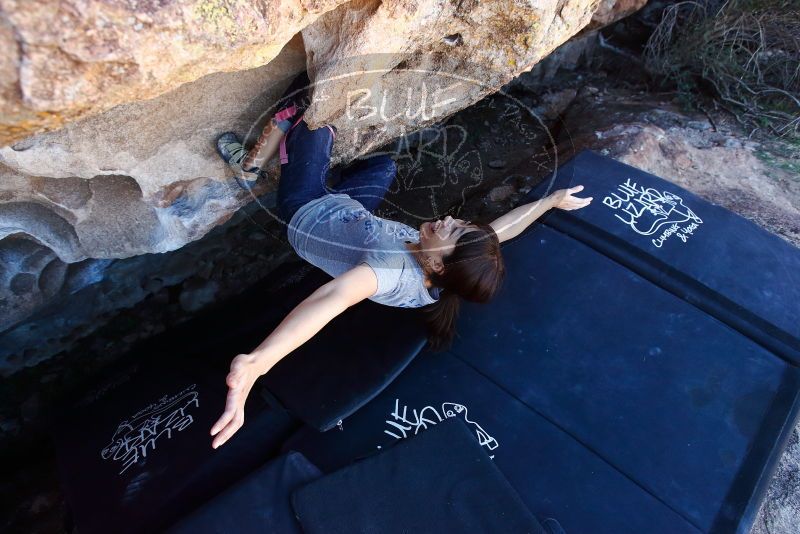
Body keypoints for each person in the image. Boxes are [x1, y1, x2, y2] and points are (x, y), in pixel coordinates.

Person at [210, 77, 592, 449]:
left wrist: (259, 362)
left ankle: (252, 164)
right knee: (383, 169)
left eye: (453, 231)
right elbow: (499, 231)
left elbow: (330, 300)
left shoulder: (388, 270)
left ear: (439, 265)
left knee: (312, 106)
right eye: (461, 223)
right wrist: (550, 201)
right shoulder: (442, 274)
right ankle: (303, 158)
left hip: (308, 210)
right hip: (352, 215)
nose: (449, 220)